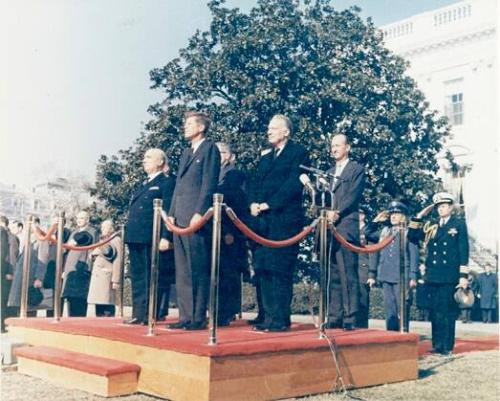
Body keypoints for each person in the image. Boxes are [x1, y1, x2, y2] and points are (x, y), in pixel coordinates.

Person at [249, 114, 309, 332]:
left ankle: (280, 320)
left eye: (274, 128)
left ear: (286, 132)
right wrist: (253, 203)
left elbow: (293, 185)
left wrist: (268, 204)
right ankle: (267, 317)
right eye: (268, 128)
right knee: (263, 269)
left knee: (280, 270)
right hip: (262, 224)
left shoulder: (298, 153)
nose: (269, 131)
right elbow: (255, 183)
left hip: (284, 221)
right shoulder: (265, 158)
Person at [168, 112, 220, 330]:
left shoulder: (210, 149)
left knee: (197, 267)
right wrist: (170, 212)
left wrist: (200, 211)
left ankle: (198, 316)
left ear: (201, 127)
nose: (185, 127)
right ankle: (185, 315)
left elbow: (209, 183)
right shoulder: (186, 152)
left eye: (189, 124)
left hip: (195, 218)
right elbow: (178, 185)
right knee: (182, 269)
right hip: (179, 217)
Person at [408, 192, 469, 355]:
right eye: (438, 207)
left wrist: (463, 277)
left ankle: (447, 346)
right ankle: (437, 344)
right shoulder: (432, 225)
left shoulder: (458, 224)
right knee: (435, 311)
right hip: (433, 275)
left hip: (450, 276)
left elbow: (464, 250)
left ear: (450, 207)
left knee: (448, 311)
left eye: (443, 206)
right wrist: (419, 216)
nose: (441, 210)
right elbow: (412, 236)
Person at [124, 149, 175, 325]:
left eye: (148, 157)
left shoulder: (167, 182)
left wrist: (166, 237)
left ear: (160, 162)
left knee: (151, 275)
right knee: (138, 276)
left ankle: (150, 313)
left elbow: (168, 211)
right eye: (144, 156)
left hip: (151, 236)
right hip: (136, 235)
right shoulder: (143, 183)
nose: (144, 160)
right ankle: (139, 313)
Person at [325, 134, 365, 331]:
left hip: (346, 225)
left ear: (347, 147)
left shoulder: (356, 169)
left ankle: (350, 316)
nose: (334, 149)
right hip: (329, 227)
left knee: (347, 272)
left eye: (338, 145)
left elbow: (352, 195)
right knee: (333, 273)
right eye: (332, 146)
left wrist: (337, 212)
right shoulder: (329, 172)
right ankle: (335, 315)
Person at [366, 201, 419, 331]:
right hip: (386, 273)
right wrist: (376, 220)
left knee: (403, 305)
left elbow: (414, 254)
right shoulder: (385, 231)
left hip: (402, 275)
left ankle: (403, 332)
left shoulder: (409, 232)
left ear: (404, 217)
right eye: (392, 214)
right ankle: (391, 334)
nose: (393, 217)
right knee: (389, 308)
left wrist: (413, 276)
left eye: (397, 214)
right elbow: (367, 233)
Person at [215, 142, 249, 326]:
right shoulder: (213, 174)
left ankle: (227, 311)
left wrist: (231, 231)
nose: (219, 155)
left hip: (230, 230)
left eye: (222, 152)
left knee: (229, 272)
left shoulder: (235, 174)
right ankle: (217, 309)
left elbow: (237, 204)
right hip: (214, 228)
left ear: (230, 155)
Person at [61, 211, 97, 317]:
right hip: (70, 268)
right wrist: (64, 269)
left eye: (82, 218)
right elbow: (67, 251)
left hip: (82, 268)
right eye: (78, 218)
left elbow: (92, 251)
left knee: (80, 298)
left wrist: (89, 268)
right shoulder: (74, 232)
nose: (79, 220)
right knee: (70, 298)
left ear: (87, 220)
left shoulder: (92, 231)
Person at [7, 217, 45, 316]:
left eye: (31, 224)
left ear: (36, 224)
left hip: (31, 277)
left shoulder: (41, 238)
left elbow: (43, 259)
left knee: (30, 306)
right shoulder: (26, 238)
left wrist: (39, 278)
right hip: (22, 275)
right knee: (19, 304)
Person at [87, 220, 123, 317]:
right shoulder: (103, 240)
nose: (102, 229)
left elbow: (118, 260)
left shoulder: (116, 240)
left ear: (110, 228)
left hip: (107, 275)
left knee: (107, 303)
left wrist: (115, 280)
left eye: (104, 227)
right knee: (99, 305)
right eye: (102, 227)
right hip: (98, 275)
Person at [156, 162, 176, 321]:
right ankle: (157, 309)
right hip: (155, 235)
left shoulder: (171, 182)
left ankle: (161, 309)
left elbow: (169, 212)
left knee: (164, 277)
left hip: (167, 234)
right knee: (159, 275)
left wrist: (166, 236)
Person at [356, 208, 376, 328]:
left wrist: (371, 275)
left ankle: (362, 327)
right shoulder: (352, 230)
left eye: (361, 213)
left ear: (364, 216)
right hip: (352, 269)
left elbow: (373, 253)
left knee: (363, 300)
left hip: (363, 269)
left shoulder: (368, 231)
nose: (358, 216)